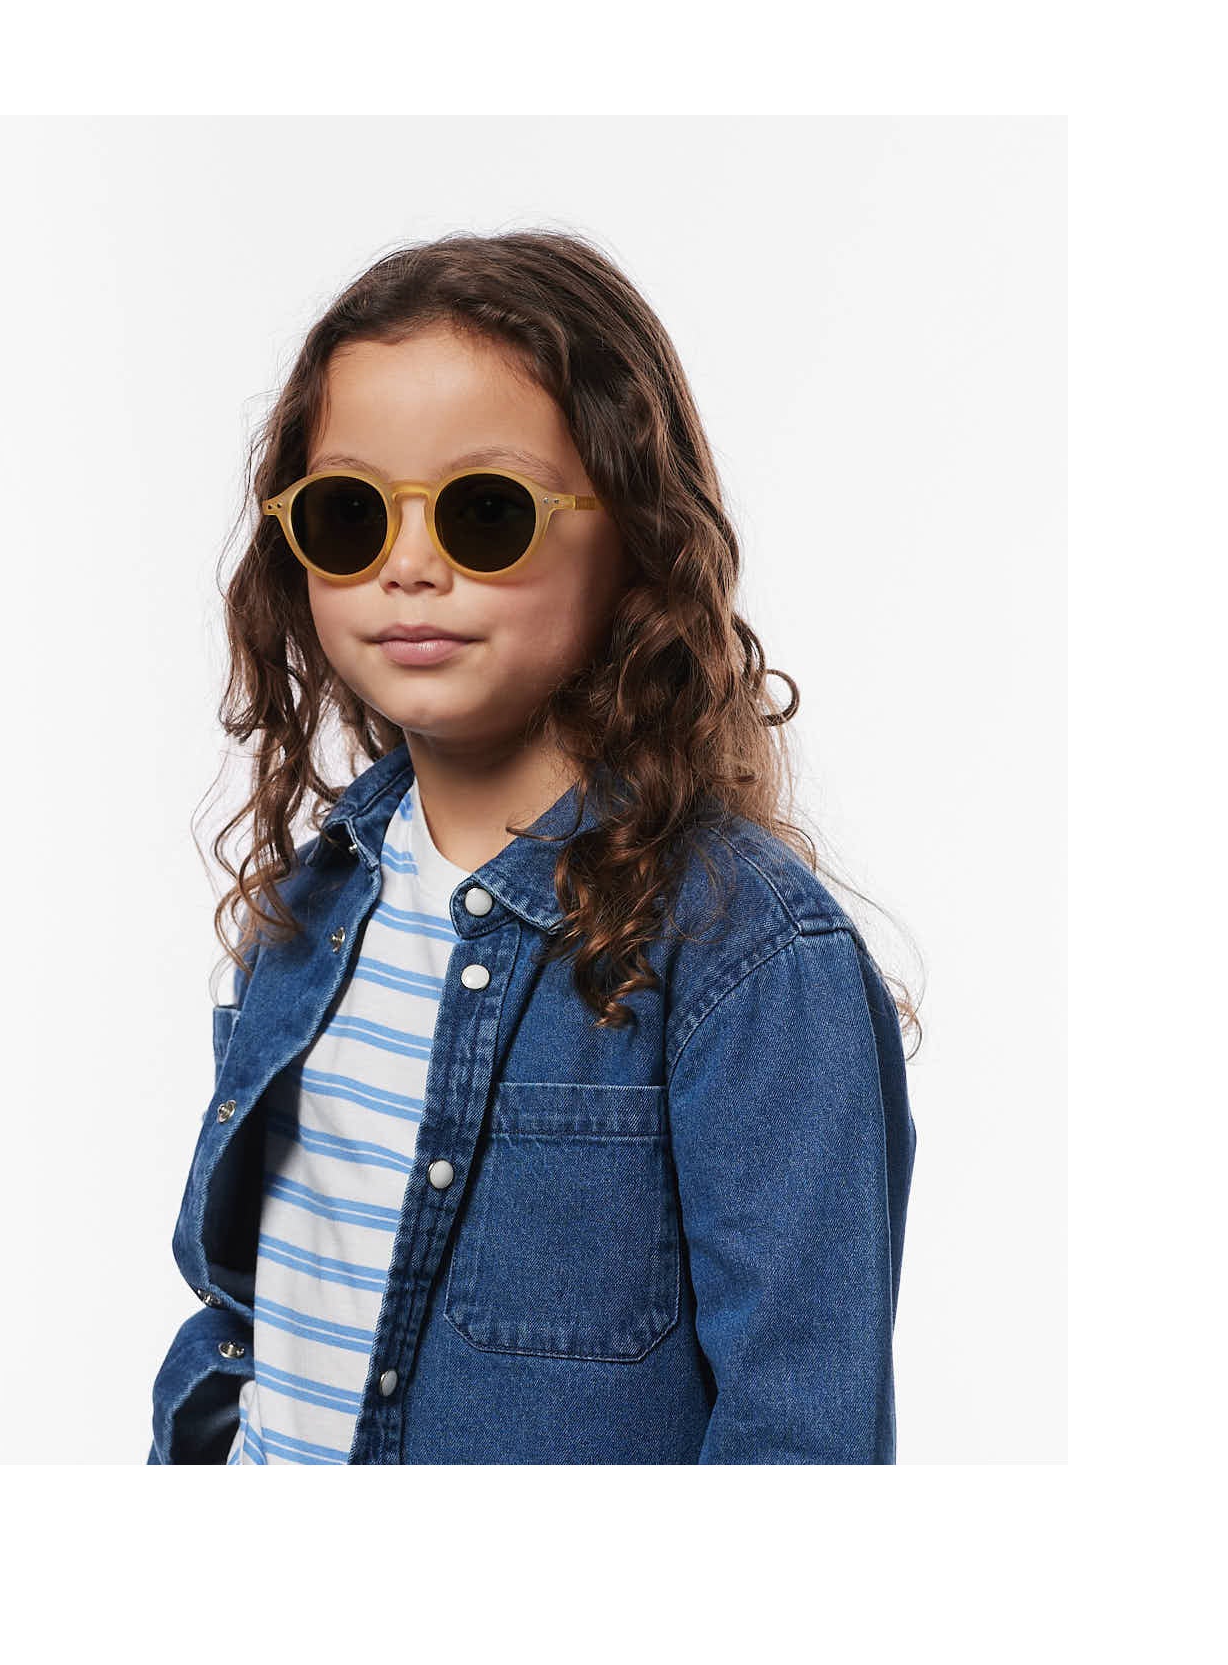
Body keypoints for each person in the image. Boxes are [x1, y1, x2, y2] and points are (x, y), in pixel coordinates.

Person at [145, 228, 920, 1466]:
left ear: (634, 535)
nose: (407, 567)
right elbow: (254, 1311)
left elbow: (800, 1439)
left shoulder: (748, 961)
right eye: (348, 516)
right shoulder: (311, 902)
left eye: (484, 513)